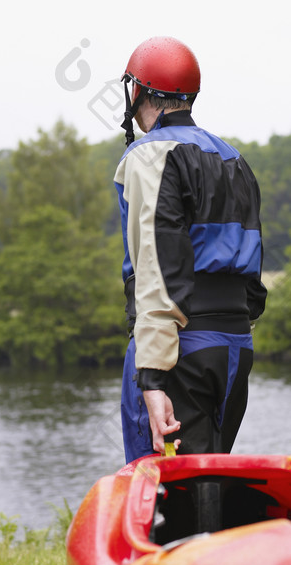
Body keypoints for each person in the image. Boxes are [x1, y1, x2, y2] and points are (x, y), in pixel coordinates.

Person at [114, 35, 267, 463]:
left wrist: (153, 376)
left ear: (140, 90)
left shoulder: (150, 155)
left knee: (165, 494)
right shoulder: (233, 157)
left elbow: (158, 266)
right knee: (211, 483)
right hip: (234, 347)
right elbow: (252, 271)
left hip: (181, 347)